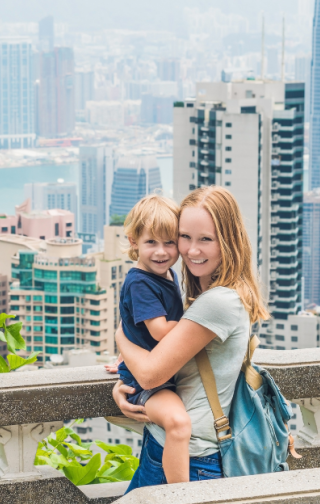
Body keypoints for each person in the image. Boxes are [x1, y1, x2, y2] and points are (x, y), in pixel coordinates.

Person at [113, 186, 269, 491]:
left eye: (206, 239)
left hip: (193, 458)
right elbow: (168, 359)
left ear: (228, 242)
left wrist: (120, 335)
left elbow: (149, 373)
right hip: (168, 445)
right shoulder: (204, 293)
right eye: (185, 237)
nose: (191, 250)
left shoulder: (217, 302)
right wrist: (122, 385)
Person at [105, 194, 192, 484]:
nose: (161, 252)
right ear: (133, 241)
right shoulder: (141, 282)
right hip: (148, 383)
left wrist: (122, 353)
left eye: (169, 242)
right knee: (178, 425)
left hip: (159, 370)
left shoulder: (167, 274)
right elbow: (159, 331)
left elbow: (131, 324)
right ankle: (183, 495)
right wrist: (199, 322)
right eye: (151, 242)